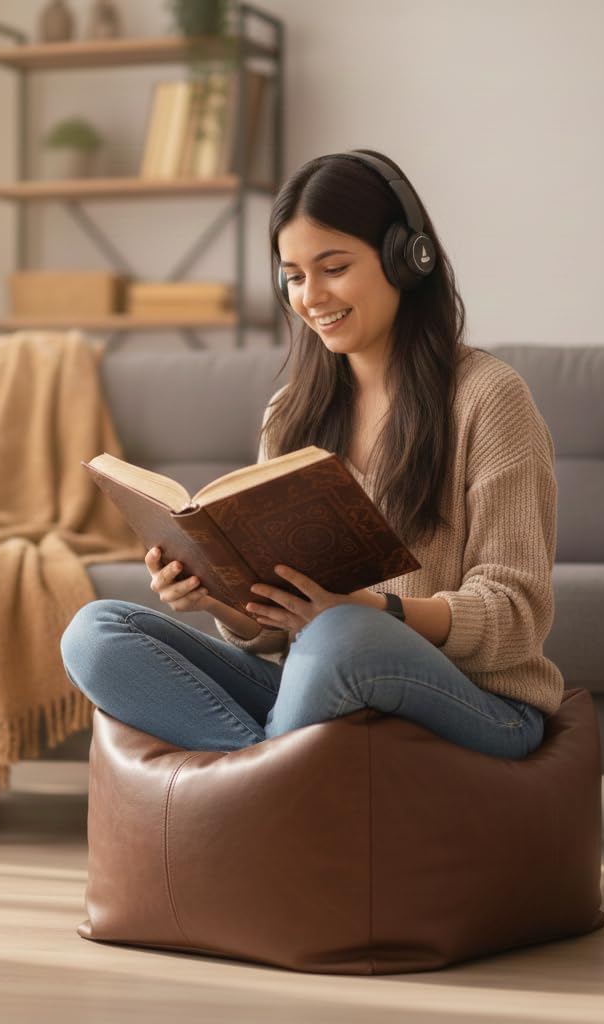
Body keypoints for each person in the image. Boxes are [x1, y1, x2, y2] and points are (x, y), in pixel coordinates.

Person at [60, 148, 563, 759]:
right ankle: (275, 777)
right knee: (95, 634)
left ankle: (257, 789)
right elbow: (272, 637)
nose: (312, 296)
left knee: (344, 633)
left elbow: (517, 616)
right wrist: (222, 599)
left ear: (409, 259)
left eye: (334, 267)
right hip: (319, 686)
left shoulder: (488, 397)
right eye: (294, 276)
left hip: (478, 702)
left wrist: (374, 613)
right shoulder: (291, 413)